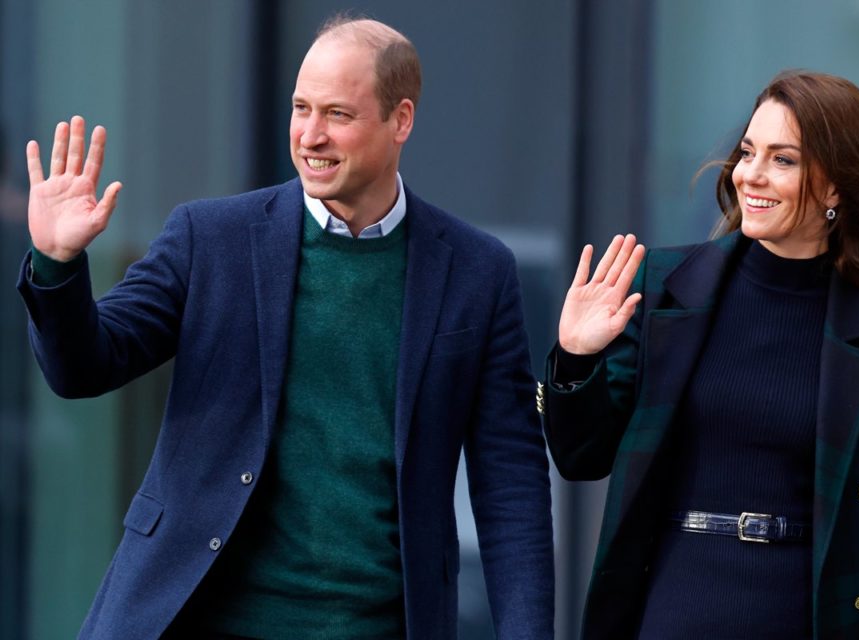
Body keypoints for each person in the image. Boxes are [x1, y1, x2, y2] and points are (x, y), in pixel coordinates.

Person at [18, 16, 554, 640]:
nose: (310, 135)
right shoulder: (209, 238)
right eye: (300, 108)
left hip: (377, 625)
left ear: (400, 120)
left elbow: (510, 485)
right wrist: (58, 266)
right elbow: (84, 367)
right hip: (197, 618)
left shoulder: (477, 273)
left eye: (337, 114)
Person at [540, 70, 859, 638]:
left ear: (835, 189)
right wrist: (576, 359)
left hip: (808, 618)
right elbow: (581, 458)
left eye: (783, 160)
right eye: (749, 152)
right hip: (674, 612)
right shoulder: (665, 287)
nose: (751, 174)